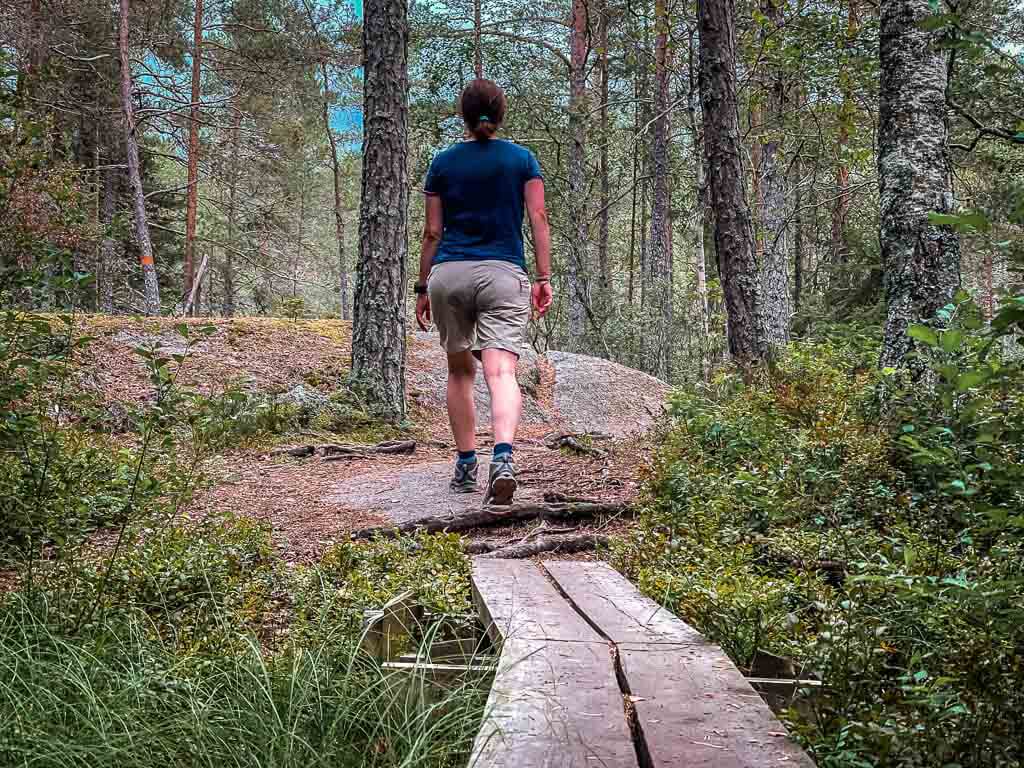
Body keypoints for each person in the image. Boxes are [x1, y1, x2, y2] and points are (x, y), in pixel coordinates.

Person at [414, 79, 553, 506]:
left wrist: (422, 286)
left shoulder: (443, 162)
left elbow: (433, 231)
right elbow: (539, 216)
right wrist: (543, 277)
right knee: (501, 373)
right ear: (501, 112)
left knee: (459, 372)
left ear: (464, 114)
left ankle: (465, 463)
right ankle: (504, 458)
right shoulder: (522, 160)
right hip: (503, 274)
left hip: (449, 275)